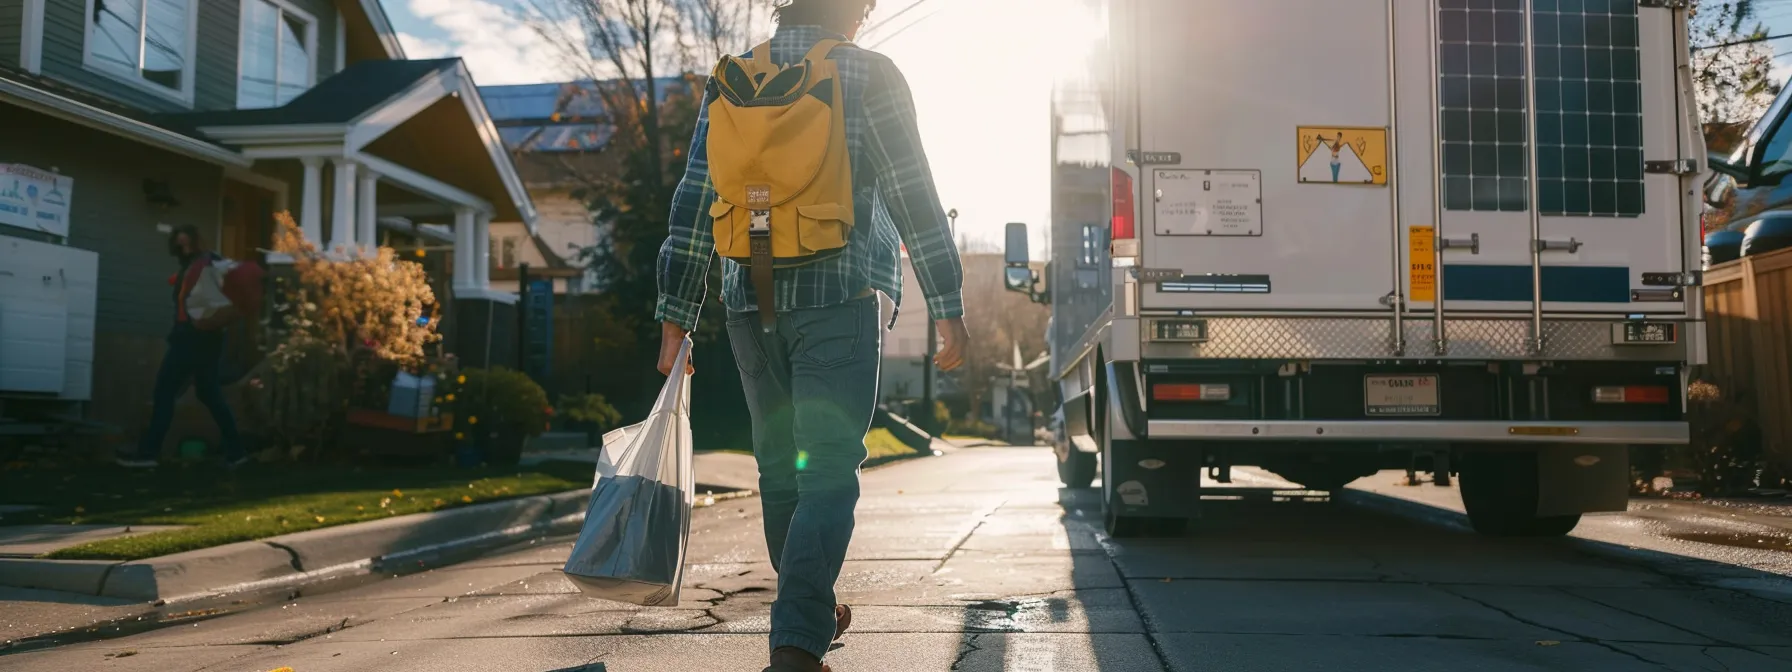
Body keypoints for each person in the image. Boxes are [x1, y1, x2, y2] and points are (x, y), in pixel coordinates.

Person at [654, 1, 969, 670]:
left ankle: (811, 612)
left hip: (748, 302)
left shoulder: (731, 78)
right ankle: (796, 645)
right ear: (852, 10)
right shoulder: (867, 73)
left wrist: (675, 320)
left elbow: (691, 201)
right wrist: (948, 303)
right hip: (837, 301)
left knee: (780, 472)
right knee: (826, 473)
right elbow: (915, 192)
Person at [117, 225, 246, 469]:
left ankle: (148, 453)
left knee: (165, 391)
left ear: (196, 243)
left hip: (192, 338)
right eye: (179, 245)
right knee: (209, 393)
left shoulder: (205, 263)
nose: (183, 249)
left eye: (187, 244)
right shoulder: (196, 265)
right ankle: (237, 451)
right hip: (206, 339)